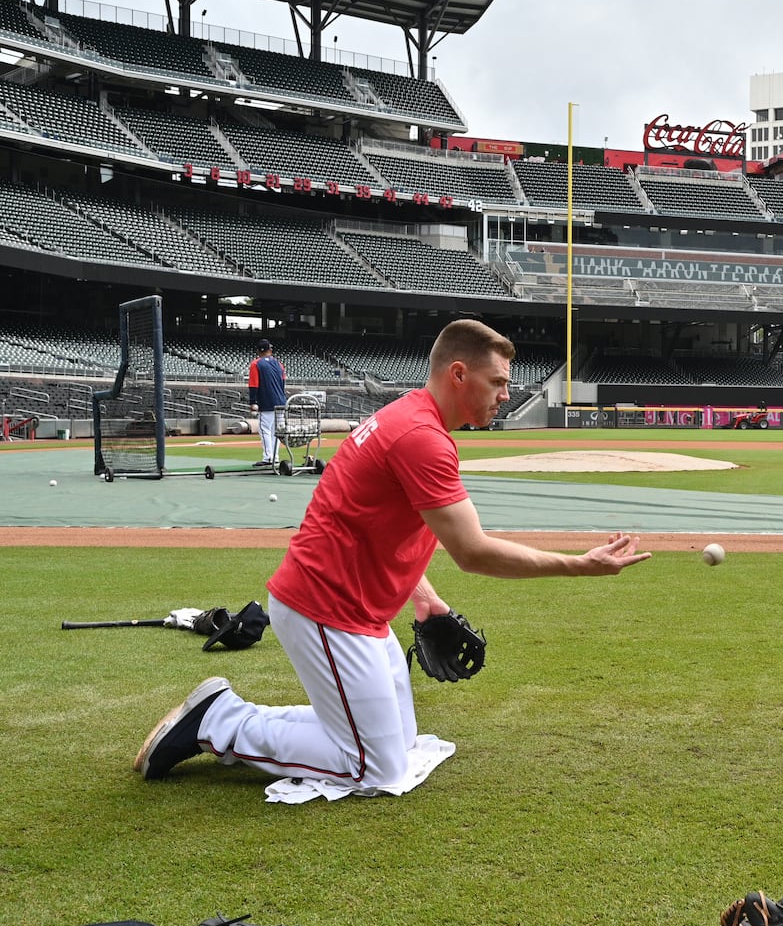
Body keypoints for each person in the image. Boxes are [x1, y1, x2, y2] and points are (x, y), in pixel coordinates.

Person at [136, 319, 652, 793]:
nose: (506, 393)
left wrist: (425, 599)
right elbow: (473, 552)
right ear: (458, 374)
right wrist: (582, 565)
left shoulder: (412, 418)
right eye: (497, 381)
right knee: (374, 768)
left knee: (400, 744)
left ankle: (225, 711)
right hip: (326, 609)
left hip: (358, 608)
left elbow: (381, 529)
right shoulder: (421, 437)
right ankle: (218, 723)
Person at [247, 337, 287, 466]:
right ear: (270, 349)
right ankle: (275, 456)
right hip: (281, 401)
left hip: (267, 401)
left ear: (259, 351)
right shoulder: (279, 364)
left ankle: (268, 457)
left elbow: (254, 385)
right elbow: (283, 383)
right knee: (276, 431)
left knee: (265, 429)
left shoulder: (256, 364)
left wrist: (252, 401)